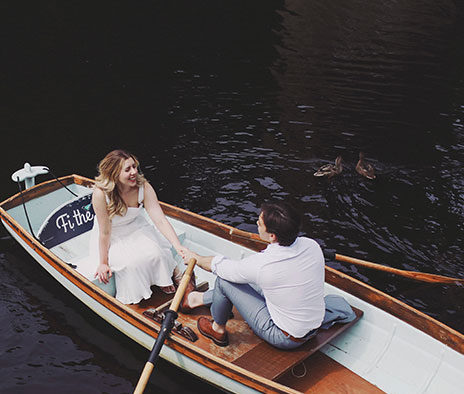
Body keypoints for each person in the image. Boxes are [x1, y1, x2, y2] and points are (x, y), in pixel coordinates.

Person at [183, 202, 324, 348]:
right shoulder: (312, 245)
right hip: (313, 327)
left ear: (272, 236)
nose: (256, 222)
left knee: (224, 281)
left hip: (284, 337)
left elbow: (220, 268)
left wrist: (195, 257)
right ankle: (197, 299)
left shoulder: (264, 265)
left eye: (260, 223)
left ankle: (217, 330)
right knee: (247, 279)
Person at [80, 149, 192, 305]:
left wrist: (177, 245)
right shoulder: (101, 194)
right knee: (131, 264)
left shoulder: (143, 186)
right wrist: (103, 262)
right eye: (127, 169)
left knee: (156, 253)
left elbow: (159, 219)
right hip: (112, 235)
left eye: (134, 166)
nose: (134, 172)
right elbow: (105, 232)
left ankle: (165, 277)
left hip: (136, 227)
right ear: (114, 174)